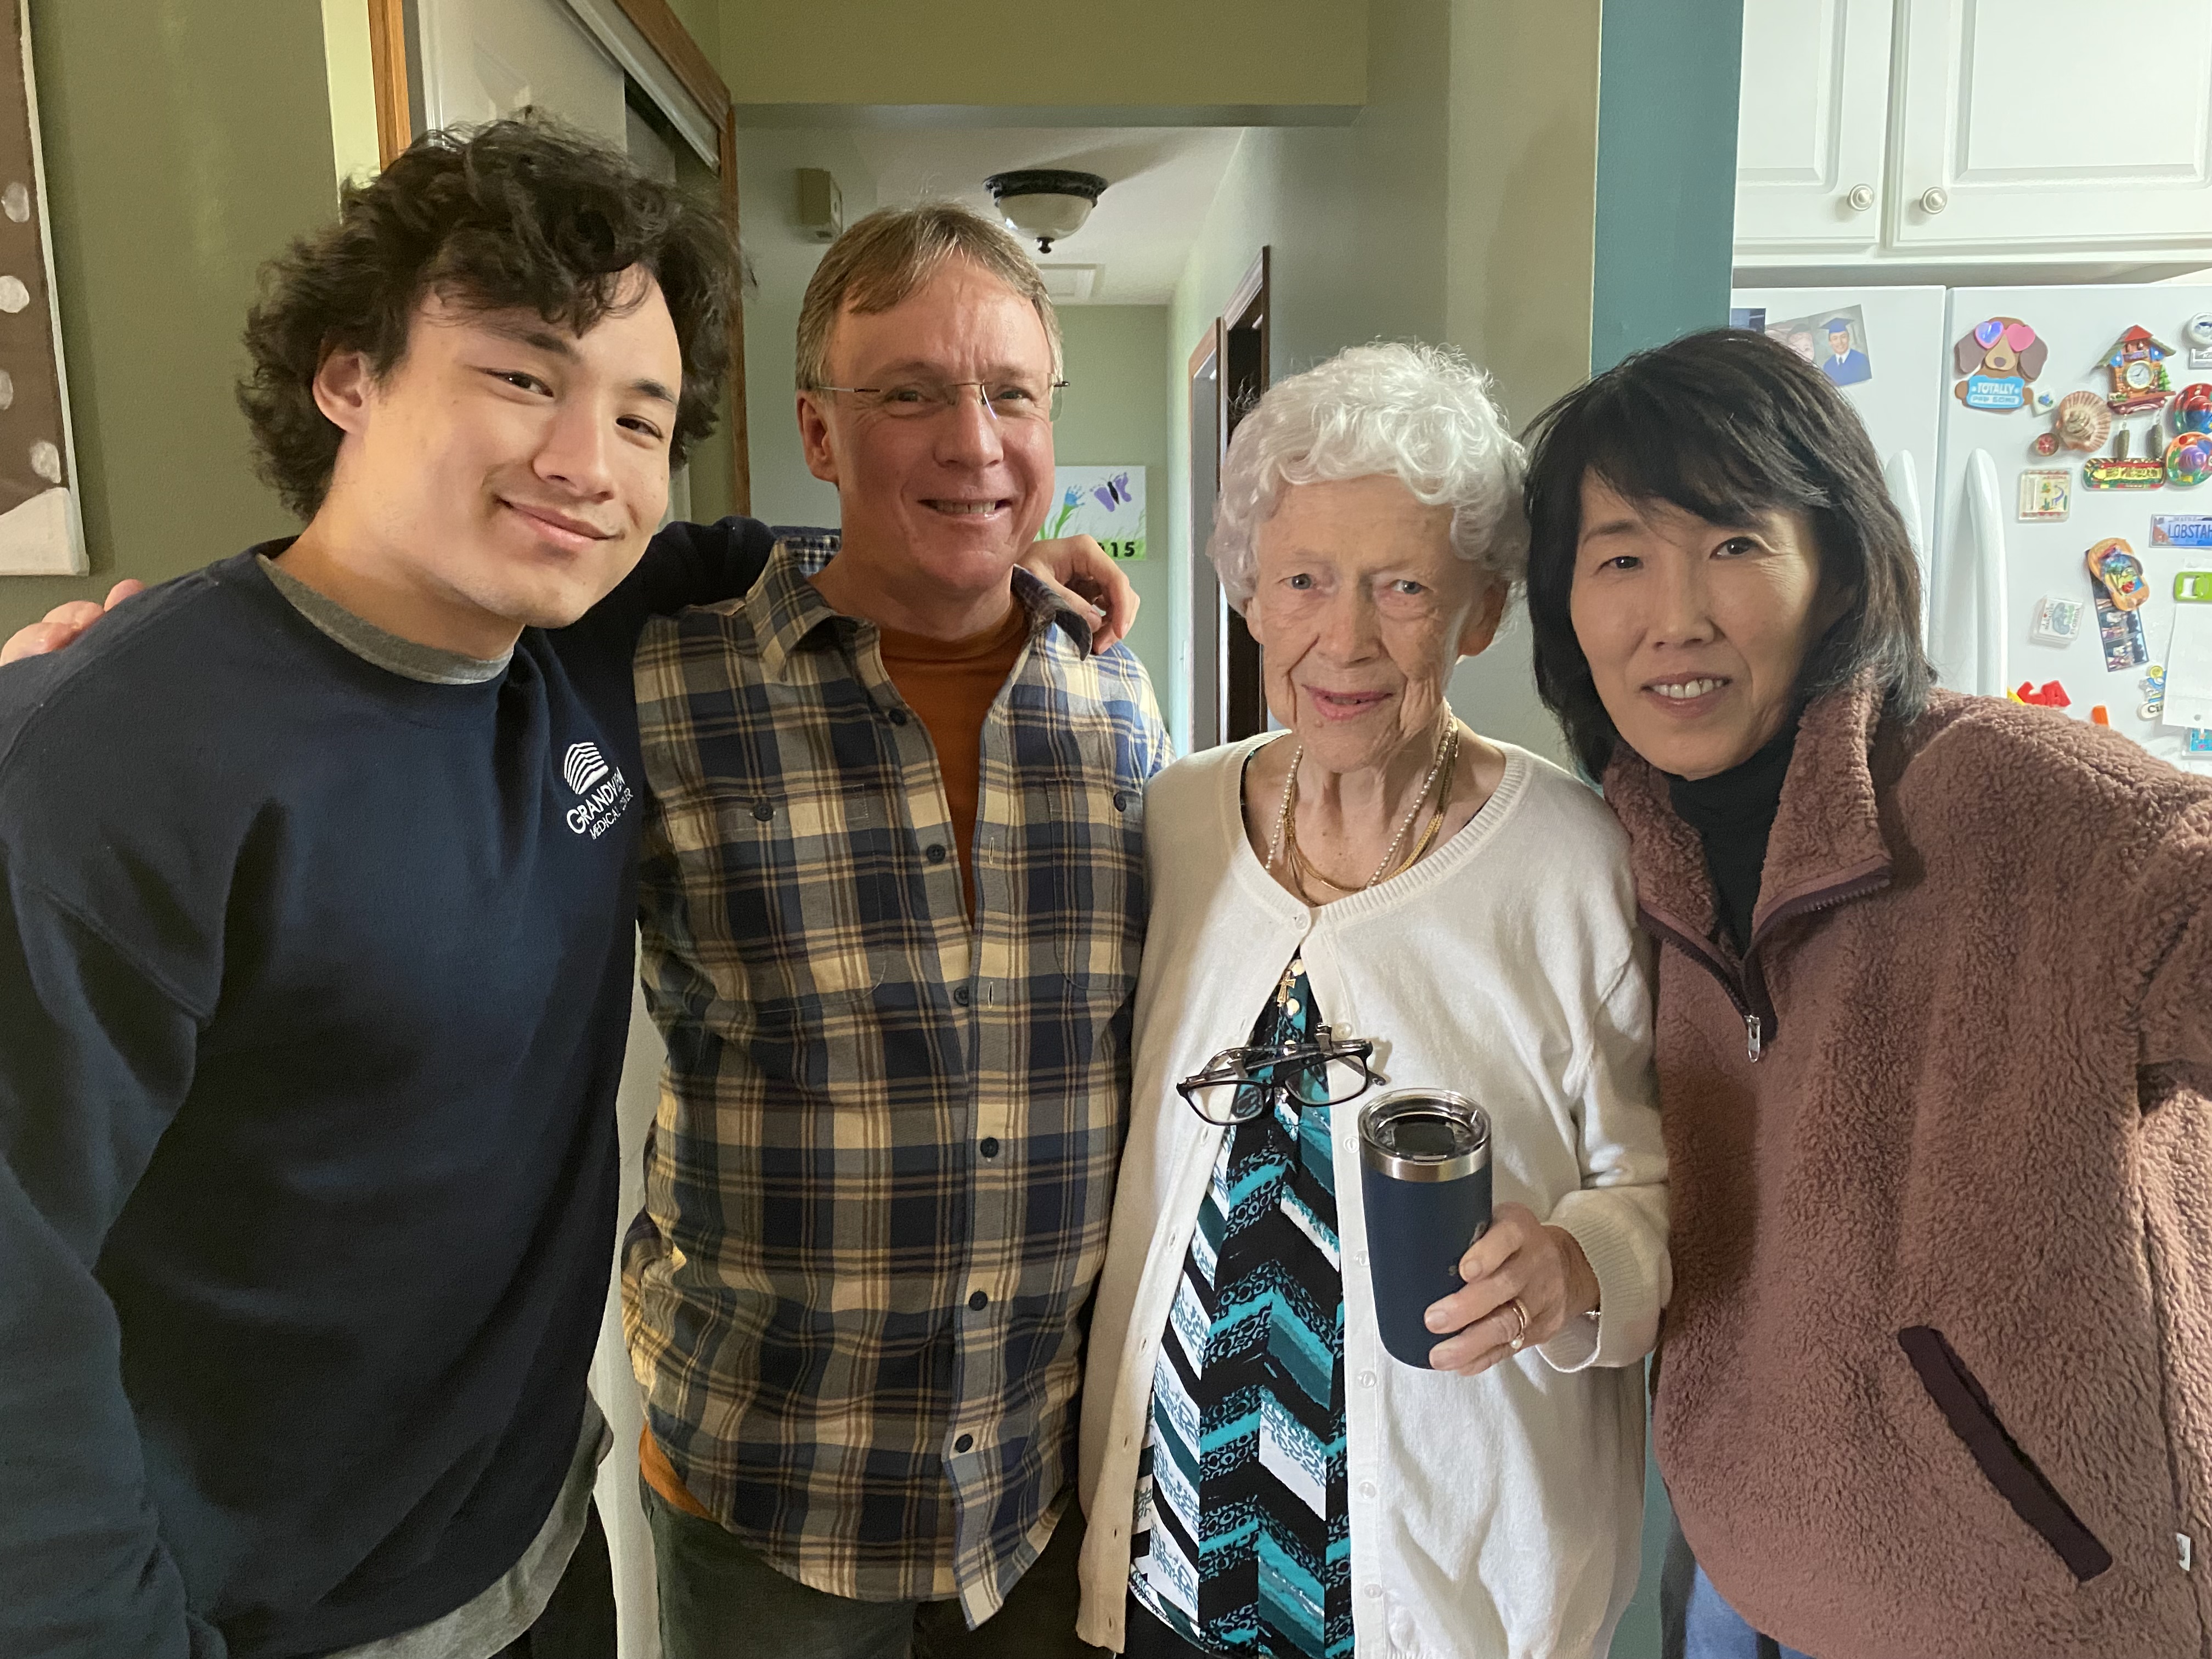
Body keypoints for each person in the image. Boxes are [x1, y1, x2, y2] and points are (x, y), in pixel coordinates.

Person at [0, 124, 1132, 1659]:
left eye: (641, 417)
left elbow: (815, 555)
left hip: (541, 1545)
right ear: (349, 372)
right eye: (524, 377)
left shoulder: (591, 653)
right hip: (257, 1608)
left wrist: (999, 547)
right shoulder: (119, 754)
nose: (584, 463)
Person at [1520, 326, 2212, 1659]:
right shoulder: (1624, 855)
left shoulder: (2033, 808)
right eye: (1619, 560)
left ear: (1834, 566)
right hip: (1734, 1587)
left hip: (2033, 1612)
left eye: (1732, 544)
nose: (1677, 616)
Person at [620, 202, 1171, 1659]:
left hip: (1038, 1490)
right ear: (817, 431)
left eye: (1010, 394)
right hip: (769, 1487)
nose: (972, 442)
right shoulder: (667, 694)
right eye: (909, 393)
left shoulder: (1121, 700)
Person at [1075, 343, 1671, 1659]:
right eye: (1302, 581)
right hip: (1178, 1559)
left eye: (1403, 587)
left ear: (1479, 613)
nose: (1344, 639)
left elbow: (1667, 1179)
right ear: (1249, 598)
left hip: (1449, 1594)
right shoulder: (1177, 819)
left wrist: (1582, 1264)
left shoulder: (1575, 859)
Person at [1818, 319, 1870, 387]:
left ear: (1849, 338)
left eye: (1843, 337)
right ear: (1830, 342)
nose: (1840, 342)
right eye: (1835, 338)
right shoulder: (1827, 366)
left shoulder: (1861, 360)